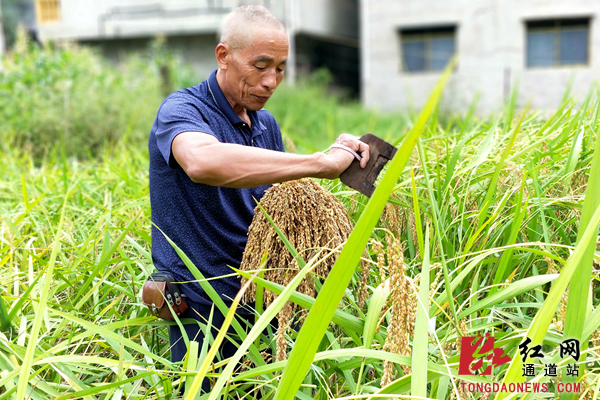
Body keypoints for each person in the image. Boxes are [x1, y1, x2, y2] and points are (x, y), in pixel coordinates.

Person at [148, 4, 369, 393]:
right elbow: (202, 161)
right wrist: (318, 162)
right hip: (201, 308)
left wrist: (334, 157)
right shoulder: (183, 111)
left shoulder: (265, 125)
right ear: (224, 56)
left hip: (262, 302)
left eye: (280, 68)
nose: (271, 81)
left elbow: (274, 190)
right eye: (261, 65)